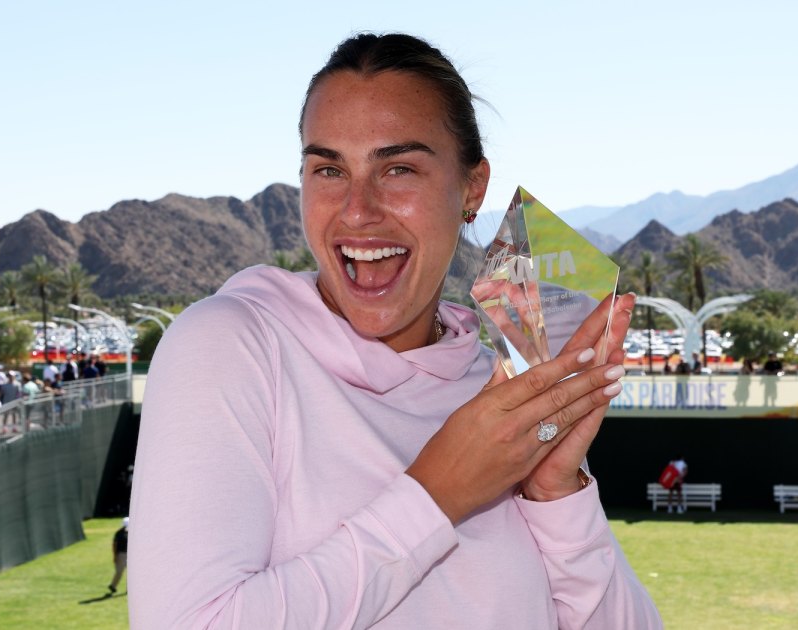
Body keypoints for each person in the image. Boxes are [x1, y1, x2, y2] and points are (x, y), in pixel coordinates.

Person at [130, 33, 659, 629]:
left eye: (399, 168)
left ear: (472, 188)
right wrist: (438, 492)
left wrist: (554, 491)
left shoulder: (500, 393)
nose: (358, 210)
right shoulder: (232, 346)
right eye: (329, 169)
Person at [109, 517, 129, 594]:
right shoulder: (120, 533)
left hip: (126, 555)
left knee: (129, 573)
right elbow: (114, 544)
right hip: (122, 554)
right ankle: (113, 585)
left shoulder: (120, 533)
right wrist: (115, 555)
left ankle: (129, 589)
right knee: (119, 571)